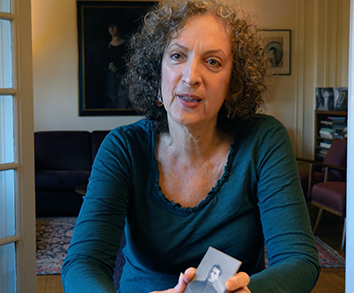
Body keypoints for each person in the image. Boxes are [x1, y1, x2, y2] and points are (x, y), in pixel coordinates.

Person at [62, 0, 320, 292]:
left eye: (213, 62)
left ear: (233, 82)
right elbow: (83, 263)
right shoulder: (123, 148)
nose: (191, 76)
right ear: (156, 71)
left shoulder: (264, 140)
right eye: (177, 55)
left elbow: (299, 259)